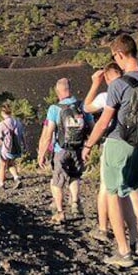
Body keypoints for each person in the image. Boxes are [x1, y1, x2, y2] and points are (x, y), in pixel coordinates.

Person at [82, 34, 138, 268]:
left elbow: (104, 121)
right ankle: (134, 240)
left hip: (119, 143)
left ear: (119, 55)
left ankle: (123, 251)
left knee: (112, 193)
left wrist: (88, 145)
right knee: (126, 190)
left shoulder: (119, 84)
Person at [84, 62, 138, 242]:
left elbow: (87, 107)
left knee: (107, 188)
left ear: (106, 77)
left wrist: (94, 84)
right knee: (131, 187)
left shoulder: (109, 93)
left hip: (115, 143)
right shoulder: (135, 89)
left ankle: (103, 228)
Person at [38, 78, 92, 224]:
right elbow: (91, 125)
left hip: (60, 149)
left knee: (57, 182)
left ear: (58, 91)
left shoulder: (55, 109)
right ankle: (75, 202)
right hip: (78, 148)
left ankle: (60, 212)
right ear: (70, 89)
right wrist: (88, 145)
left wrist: (42, 153)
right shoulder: (81, 105)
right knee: (75, 175)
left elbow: (48, 133)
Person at [0, 104, 26, 189]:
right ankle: (16, 178)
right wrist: (25, 146)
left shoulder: (2, 124)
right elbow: (22, 135)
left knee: (2, 165)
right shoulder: (18, 122)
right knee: (10, 164)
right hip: (16, 148)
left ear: (2, 112)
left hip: (5, 149)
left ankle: (2, 184)